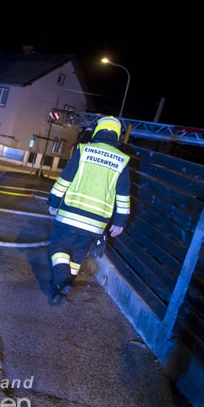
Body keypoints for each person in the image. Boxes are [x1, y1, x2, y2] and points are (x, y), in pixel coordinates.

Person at [46, 116, 131, 305]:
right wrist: (119, 221)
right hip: (96, 224)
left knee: (59, 248)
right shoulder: (122, 161)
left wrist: (53, 200)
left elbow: (65, 179)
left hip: (70, 215)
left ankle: (62, 281)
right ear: (117, 135)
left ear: (96, 130)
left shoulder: (84, 151)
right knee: (77, 255)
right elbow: (123, 195)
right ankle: (60, 292)